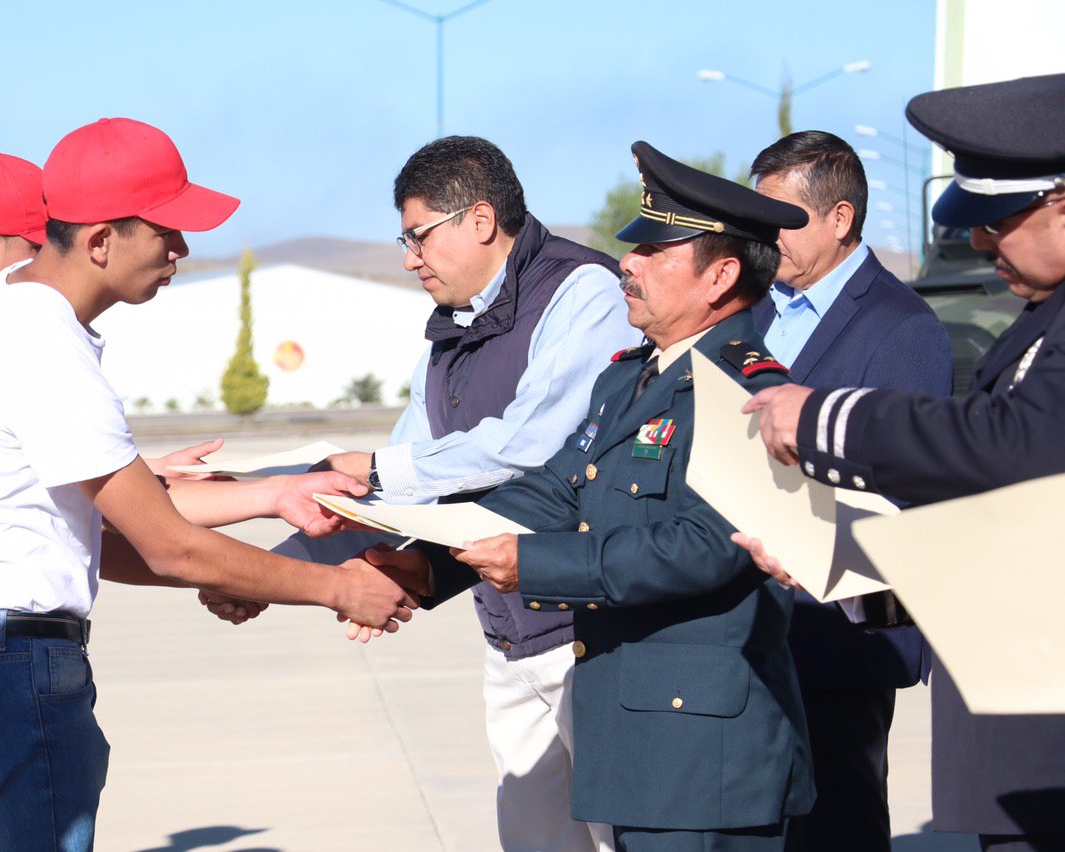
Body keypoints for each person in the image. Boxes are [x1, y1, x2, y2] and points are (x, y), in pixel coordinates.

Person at [0, 118, 420, 851]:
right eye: (166, 230)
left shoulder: (2, 312)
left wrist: (268, 514)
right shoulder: (41, 343)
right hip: (15, 677)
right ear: (102, 241)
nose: (181, 249)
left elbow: (99, 542)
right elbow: (170, 544)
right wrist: (339, 588)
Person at [364, 141, 817, 851]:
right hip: (638, 738)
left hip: (703, 757)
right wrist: (430, 565)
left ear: (721, 275)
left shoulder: (749, 393)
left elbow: (706, 549)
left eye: (654, 253)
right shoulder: (628, 379)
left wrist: (536, 567)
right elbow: (553, 493)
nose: (627, 265)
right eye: (632, 248)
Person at [739, 73, 1065, 852]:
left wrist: (821, 415)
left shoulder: (913, 324)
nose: (981, 242)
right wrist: (846, 572)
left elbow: (1005, 447)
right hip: (1018, 720)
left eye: (1000, 218)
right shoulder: (1039, 321)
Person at [281, 135, 635, 850]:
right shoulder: (450, 334)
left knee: (620, 835)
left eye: (418, 237)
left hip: (588, 635)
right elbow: (404, 475)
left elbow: (528, 441)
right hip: (507, 630)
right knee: (534, 838)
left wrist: (380, 470)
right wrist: (287, 569)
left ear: (479, 221)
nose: (409, 258)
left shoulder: (582, 293)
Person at [748, 131, 952, 852]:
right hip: (758, 620)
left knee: (836, 828)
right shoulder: (759, 312)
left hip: (840, 627)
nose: (765, 235)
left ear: (838, 219)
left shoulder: (902, 327)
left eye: (782, 218)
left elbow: (907, 486)